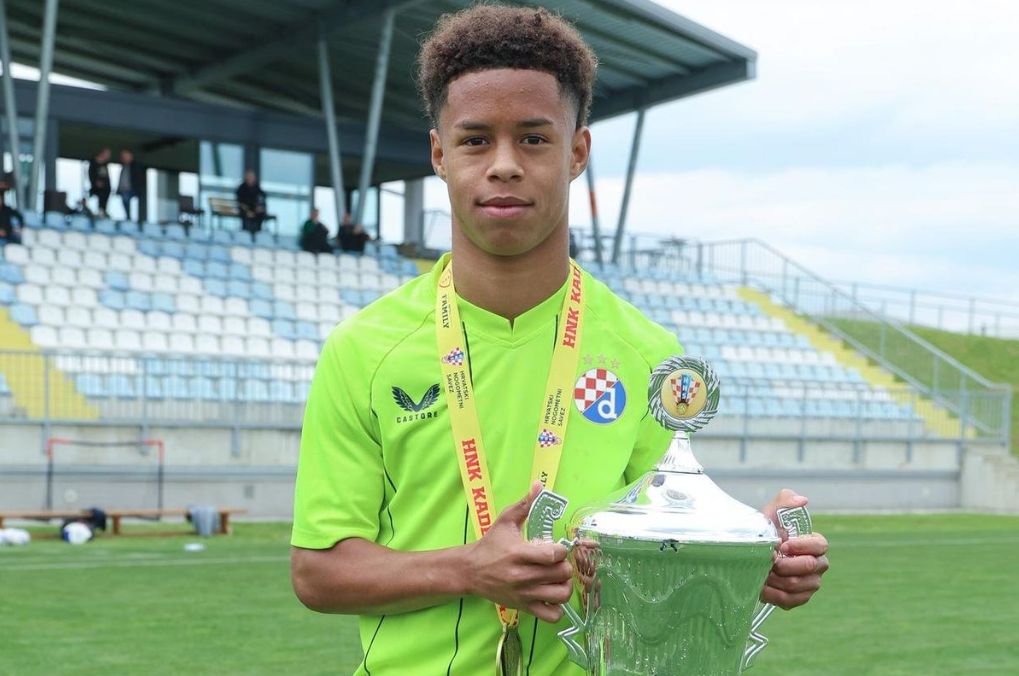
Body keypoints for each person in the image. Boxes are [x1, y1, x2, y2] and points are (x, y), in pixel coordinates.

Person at [290, 6, 829, 675]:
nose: (504, 165)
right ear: (439, 155)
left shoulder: (647, 355)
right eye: (475, 140)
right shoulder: (365, 348)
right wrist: (469, 568)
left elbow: (659, 552)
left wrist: (749, 553)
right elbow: (318, 572)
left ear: (577, 152)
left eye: (533, 139)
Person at [235, 170, 267, 237]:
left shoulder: (257, 188)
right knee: (247, 215)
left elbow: (262, 197)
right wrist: (247, 210)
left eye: (252, 177)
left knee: (260, 213)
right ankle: (246, 233)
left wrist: (260, 207)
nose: (250, 178)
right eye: (249, 177)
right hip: (245, 209)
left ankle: (258, 233)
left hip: (255, 209)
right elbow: (240, 202)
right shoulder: (242, 188)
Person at [116, 149, 144, 223]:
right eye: (122, 156)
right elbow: (122, 180)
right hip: (124, 190)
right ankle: (128, 217)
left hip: (132, 190)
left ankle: (130, 218)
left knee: (126, 199)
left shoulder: (135, 166)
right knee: (124, 199)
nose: (124, 158)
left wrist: (136, 188)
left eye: (125, 156)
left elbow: (139, 179)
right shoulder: (124, 167)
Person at [88, 148, 112, 218]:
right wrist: (95, 182)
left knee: (105, 196)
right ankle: (100, 212)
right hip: (97, 187)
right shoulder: (94, 162)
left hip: (106, 186)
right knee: (101, 195)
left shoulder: (105, 163)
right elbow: (91, 174)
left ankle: (103, 211)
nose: (108, 156)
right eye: (107, 154)